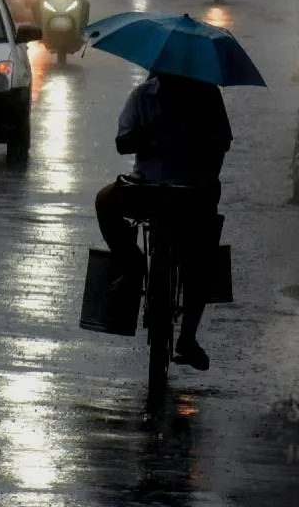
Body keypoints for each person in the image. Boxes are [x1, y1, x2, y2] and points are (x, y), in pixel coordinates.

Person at [94, 71, 233, 372]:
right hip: (146, 189)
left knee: (202, 256)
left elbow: (221, 145)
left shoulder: (207, 96)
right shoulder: (143, 96)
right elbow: (123, 142)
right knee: (105, 202)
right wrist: (151, 135)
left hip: (191, 194)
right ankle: (133, 264)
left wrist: (204, 169)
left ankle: (187, 336)